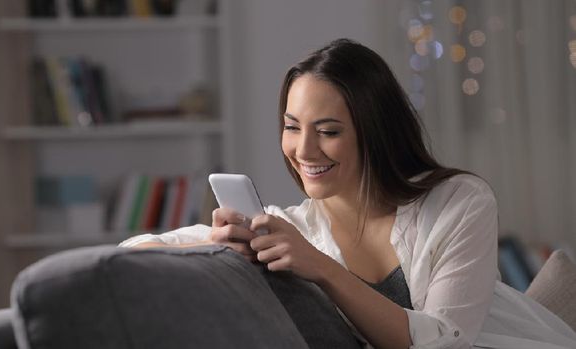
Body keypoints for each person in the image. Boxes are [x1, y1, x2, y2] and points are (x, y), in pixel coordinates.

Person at [120, 39, 576, 348]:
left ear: (374, 132)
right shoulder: (296, 229)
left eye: (329, 131)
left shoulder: (459, 201)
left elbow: (443, 340)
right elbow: (133, 251)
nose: (304, 150)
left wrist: (321, 269)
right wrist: (217, 245)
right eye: (291, 127)